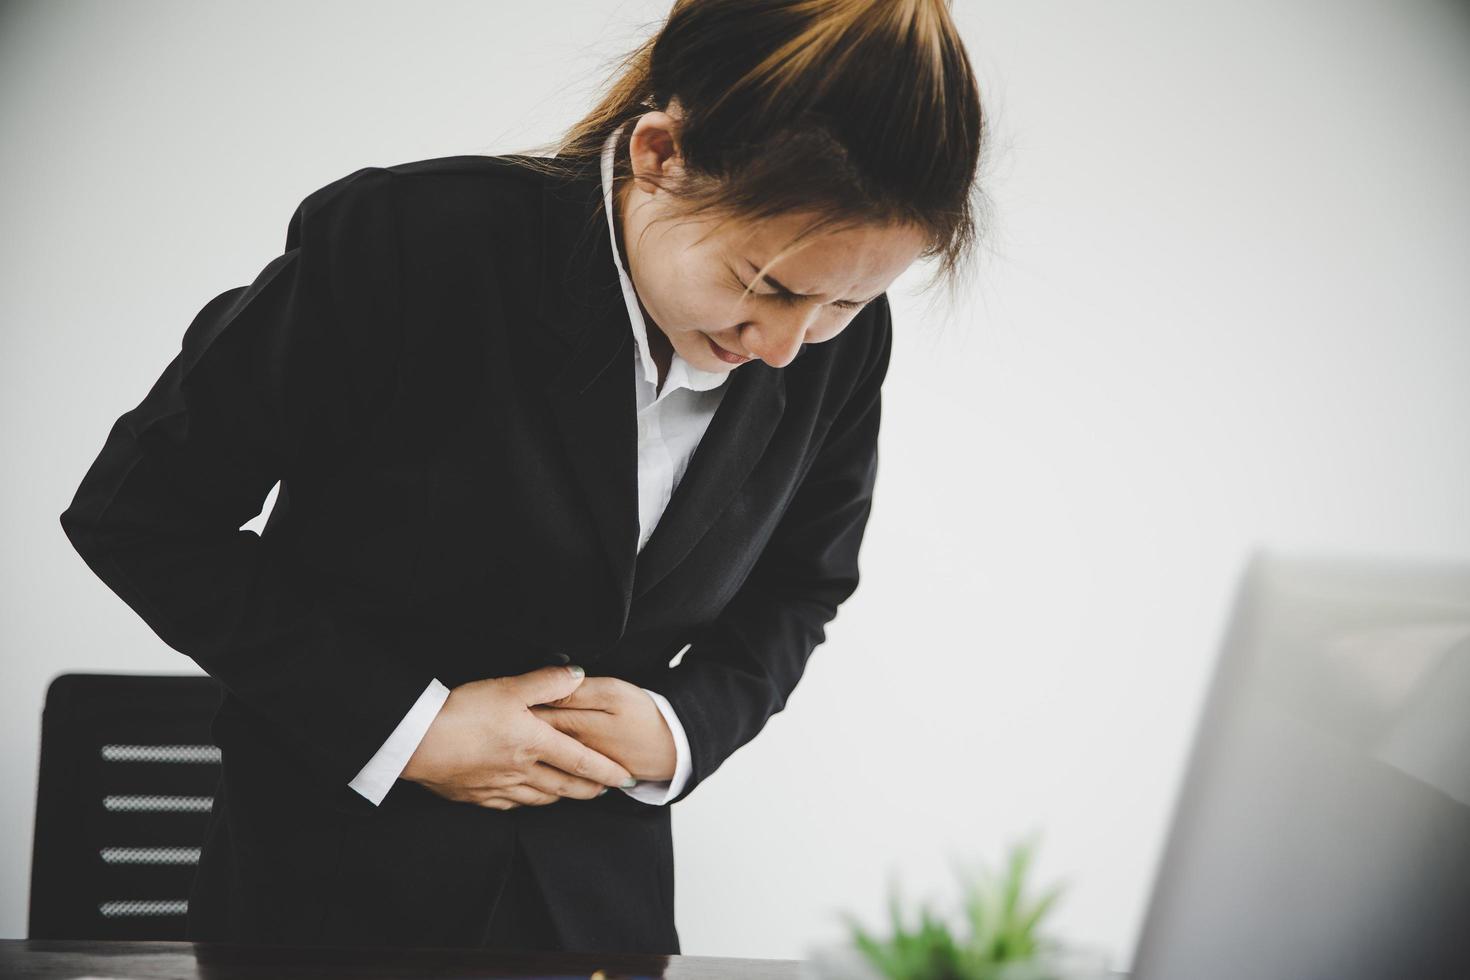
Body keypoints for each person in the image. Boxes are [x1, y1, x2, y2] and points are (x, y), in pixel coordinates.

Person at [58, 0, 987, 957]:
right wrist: (409, 727)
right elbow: (143, 515)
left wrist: (683, 728)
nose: (790, 348)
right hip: (324, 906)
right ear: (660, 155)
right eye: (769, 286)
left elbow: (805, 580)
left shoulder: (842, 346)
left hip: (599, 914)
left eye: (848, 299)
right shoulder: (407, 243)